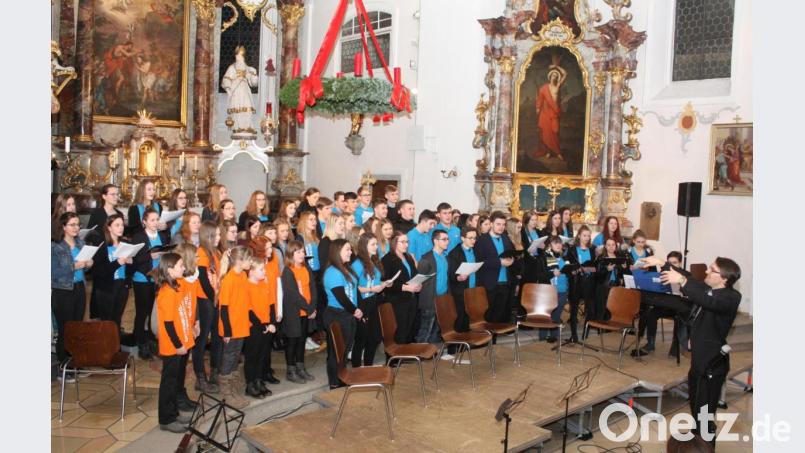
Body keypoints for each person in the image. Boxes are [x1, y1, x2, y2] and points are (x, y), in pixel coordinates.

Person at [645, 254, 742, 448]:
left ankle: (704, 447)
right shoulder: (711, 289)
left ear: (724, 278)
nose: (706, 271)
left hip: (712, 365)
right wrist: (662, 264)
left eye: (712, 269)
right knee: (697, 411)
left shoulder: (731, 297)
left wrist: (681, 280)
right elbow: (691, 278)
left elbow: (707, 300)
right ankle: (696, 445)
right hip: (700, 360)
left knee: (705, 418)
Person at [154, 253, 199, 433]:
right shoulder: (166, 292)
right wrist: (178, 344)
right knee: (169, 382)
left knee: (175, 381)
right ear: (170, 270)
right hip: (172, 346)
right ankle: (166, 418)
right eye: (180, 265)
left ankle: (174, 412)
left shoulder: (177, 287)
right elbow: (168, 324)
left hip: (181, 342)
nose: (183, 268)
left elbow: (182, 316)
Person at [51, 212, 93, 380]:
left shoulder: (81, 243)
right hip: (63, 290)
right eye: (72, 225)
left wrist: (89, 264)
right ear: (63, 227)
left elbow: (86, 268)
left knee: (77, 327)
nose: (76, 228)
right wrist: (73, 267)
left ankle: (75, 363)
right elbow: (53, 272)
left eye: (78, 225)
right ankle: (64, 366)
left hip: (79, 288)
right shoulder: (55, 247)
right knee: (65, 329)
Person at [631, 251, 689, 358]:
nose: (671, 265)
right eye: (669, 263)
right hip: (664, 304)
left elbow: (689, 295)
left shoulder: (685, 275)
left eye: (675, 263)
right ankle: (650, 343)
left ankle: (675, 347)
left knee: (680, 316)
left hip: (678, 307)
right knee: (651, 313)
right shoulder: (662, 273)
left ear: (680, 263)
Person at [322, 239, 363, 389]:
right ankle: (334, 382)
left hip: (347, 314)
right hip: (337, 315)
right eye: (347, 249)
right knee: (336, 352)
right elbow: (341, 296)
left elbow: (354, 290)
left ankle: (341, 376)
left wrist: (357, 310)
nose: (351, 252)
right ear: (337, 251)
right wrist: (355, 310)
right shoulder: (332, 272)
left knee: (344, 351)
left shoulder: (346, 268)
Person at [131, 207, 170, 359]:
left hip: (159, 279)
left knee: (156, 312)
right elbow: (136, 259)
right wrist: (150, 257)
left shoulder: (162, 235)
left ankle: (153, 342)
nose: (155, 223)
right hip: (143, 279)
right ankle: (141, 344)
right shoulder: (139, 237)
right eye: (152, 220)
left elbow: (166, 254)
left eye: (157, 219)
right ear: (144, 222)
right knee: (143, 313)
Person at [217, 246, 253, 409]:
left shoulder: (243, 276)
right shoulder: (229, 279)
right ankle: (225, 391)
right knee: (229, 357)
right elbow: (223, 308)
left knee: (236, 356)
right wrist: (227, 331)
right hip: (231, 327)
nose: (251, 262)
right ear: (239, 261)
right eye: (249, 259)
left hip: (242, 324)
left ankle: (232, 388)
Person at [281, 240, 318, 384]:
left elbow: (313, 287)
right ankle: (291, 370)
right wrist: (309, 308)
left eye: (303, 251)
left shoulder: (306, 267)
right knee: (292, 341)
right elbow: (293, 295)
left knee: (302, 340)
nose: (302, 254)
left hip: (307, 311)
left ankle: (300, 367)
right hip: (294, 312)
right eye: (298, 252)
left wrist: (313, 306)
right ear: (291, 254)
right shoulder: (288, 271)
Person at [351, 232, 390, 366]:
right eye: (372, 244)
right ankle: (356, 369)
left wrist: (384, 284)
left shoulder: (374, 260)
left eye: (376, 244)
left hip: (374, 301)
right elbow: (354, 288)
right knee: (361, 339)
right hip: (363, 303)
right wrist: (372, 289)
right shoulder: (357, 263)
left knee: (375, 337)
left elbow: (375, 281)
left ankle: (368, 365)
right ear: (364, 246)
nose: (376, 247)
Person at [193, 221, 223, 393]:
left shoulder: (216, 252)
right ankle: (200, 378)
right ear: (208, 235)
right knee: (202, 339)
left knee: (218, 337)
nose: (219, 238)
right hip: (205, 300)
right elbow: (203, 280)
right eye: (217, 235)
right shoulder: (202, 252)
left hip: (215, 299)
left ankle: (214, 372)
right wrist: (214, 299)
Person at [90, 214, 131, 328]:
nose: (121, 228)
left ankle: (116, 345)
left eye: (122, 225)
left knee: (117, 320)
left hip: (122, 286)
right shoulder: (102, 245)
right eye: (117, 225)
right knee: (107, 322)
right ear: (109, 228)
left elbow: (131, 269)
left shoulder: (125, 244)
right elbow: (98, 271)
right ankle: (106, 345)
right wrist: (118, 262)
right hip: (106, 288)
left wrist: (131, 262)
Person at [243, 255, 275, 399]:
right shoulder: (246, 286)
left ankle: (259, 380)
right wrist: (262, 325)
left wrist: (272, 323)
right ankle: (250, 384)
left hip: (266, 326)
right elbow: (248, 310)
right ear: (251, 271)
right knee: (252, 356)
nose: (264, 272)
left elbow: (270, 305)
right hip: (254, 328)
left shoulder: (264, 283)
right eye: (261, 270)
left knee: (263, 355)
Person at [474, 211, 515, 323]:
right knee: (488, 315)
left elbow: (511, 253)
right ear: (491, 224)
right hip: (489, 283)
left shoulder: (506, 238)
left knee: (499, 315)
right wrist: (499, 263)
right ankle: (487, 339)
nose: (501, 227)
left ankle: (495, 339)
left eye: (503, 224)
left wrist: (512, 259)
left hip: (505, 282)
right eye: (498, 224)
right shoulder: (482, 240)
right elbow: (479, 262)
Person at [381, 232, 422, 344]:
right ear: (394, 243)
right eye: (402, 242)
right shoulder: (387, 259)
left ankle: (407, 355)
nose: (406, 245)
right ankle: (396, 358)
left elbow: (414, 275)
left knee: (410, 329)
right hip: (397, 302)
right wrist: (404, 288)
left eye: (407, 242)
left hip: (411, 299)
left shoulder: (408, 257)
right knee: (399, 331)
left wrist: (419, 284)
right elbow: (385, 283)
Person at [416, 230, 450, 344]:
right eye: (444, 239)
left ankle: (431, 356)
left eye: (447, 239)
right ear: (435, 241)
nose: (447, 242)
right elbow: (419, 280)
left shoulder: (445, 257)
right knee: (425, 331)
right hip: (430, 301)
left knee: (436, 332)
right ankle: (420, 355)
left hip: (442, 300)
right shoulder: (426, 259)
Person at [447, 227, 478, 341]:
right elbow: (451, 274)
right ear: (462, 238)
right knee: (459, 320)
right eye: (470, 238)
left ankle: (466, 346)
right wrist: (458, 277)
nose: (473, 240)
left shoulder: (475, 250)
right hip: (460, 292)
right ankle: (455, 347)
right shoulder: (455, 253)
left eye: (475, 238)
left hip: (472, 290)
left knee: (468, 320)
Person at [566, 225, 596, 342]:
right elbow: (568, 267)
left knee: (591, 310)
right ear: (579, 236)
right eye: (584, 235)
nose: (587, 238)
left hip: (589, 283)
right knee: (574, 310)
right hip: (576, 283)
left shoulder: (592, 249)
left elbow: (595, 266)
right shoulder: (572, 249)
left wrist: (593, 269)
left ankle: (585, 334)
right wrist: (575, 270)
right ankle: (574, 335)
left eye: (588, 236)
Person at [590, 237, 631, 322]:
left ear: (616, 246)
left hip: (614, 285)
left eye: (613, 245)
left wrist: (624, 268)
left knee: (611, 307)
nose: (611, 247)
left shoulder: (619, 257)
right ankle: (600, 326)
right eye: (608, 245)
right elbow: (597, 275)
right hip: (603, 285)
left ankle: (608, 326)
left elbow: (622, 275)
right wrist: (606, 269)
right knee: (602, 307)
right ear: (605, 246)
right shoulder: (601, 258)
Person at [221, 46, 259, 136]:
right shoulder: (232, 67)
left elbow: (253, 83)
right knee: (238, 107)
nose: (239, 58)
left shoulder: (248, 68)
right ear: (236, 56)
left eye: (241, 56)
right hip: (236, 90)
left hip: (245, 89)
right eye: (238, 56)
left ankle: (247, 126)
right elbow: (226, 80)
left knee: (247, 105)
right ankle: (238, 127)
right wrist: (229, 90)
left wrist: (254, 73)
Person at [538, 236, 569, 342]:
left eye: (560, 243)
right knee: (546, 315)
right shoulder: (544, 257)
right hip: (549, 291)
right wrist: (552, 273)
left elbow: (567, 271)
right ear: (549, 245)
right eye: (556, 243)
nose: (559, 245)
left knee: (556, 315)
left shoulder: (565, 257)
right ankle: (542, 337)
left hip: (562, 290)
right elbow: (540, 276)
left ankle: (553, 336)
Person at [533, 64, 566, 160]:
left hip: (554, 112)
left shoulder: (558, 86)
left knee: (555, 131)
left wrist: (556, 66)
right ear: (550, 77)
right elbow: (540, 99)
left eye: (556, 76)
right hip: (545, 113)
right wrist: (538, 108)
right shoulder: (544, 88)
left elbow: (565, 74)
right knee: (546, 132)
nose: (554, 77)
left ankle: (557, 152)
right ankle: (549, 152)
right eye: (553, 76)